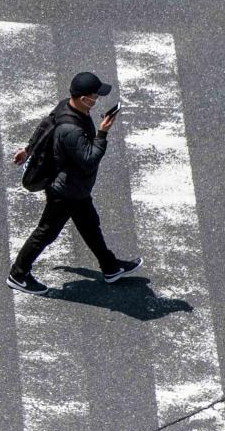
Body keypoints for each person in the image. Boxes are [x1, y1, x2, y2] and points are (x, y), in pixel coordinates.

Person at [9, 70, 141, 293]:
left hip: (75, 187)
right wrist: (102, 133)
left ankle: (110, 267)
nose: (97, 99)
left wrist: (28, 149)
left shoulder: (65, 107)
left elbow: (44, 127)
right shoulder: (71, 131)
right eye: (94, 96)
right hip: (66, 191)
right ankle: (18, 275)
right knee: (46, 232)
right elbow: (89, 159)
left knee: (90, 225)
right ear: (83, 98)